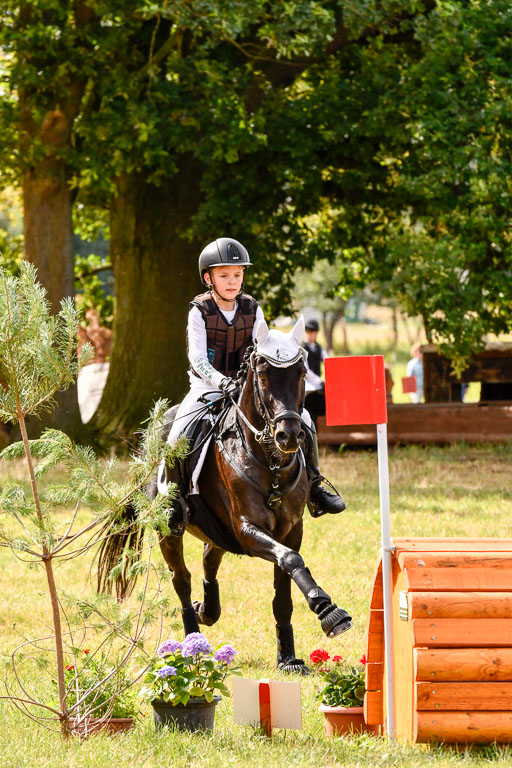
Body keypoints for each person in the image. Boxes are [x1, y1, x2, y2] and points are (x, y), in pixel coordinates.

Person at [162, 237, 346, 534]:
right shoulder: (199, 310)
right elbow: (197, 357)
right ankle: (173, 500)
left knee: (305, 419)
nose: (232, 281)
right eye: (224, 275)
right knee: (179, 433)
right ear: (209, 278)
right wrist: (220, 381)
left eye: (237, 275)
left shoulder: (252, 308)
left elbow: (265, 346)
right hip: (206, 387)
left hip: (246, 387)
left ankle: (315, 485)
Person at [302, 319, 327, 427]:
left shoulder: (319, 348)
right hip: (306, 386)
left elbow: (327, 362)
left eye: (312, 332)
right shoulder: (302, 348)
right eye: (307, 331)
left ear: (316, 333)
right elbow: (306, 370)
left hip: (317, 387)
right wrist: (319, 381)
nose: (309, 334)